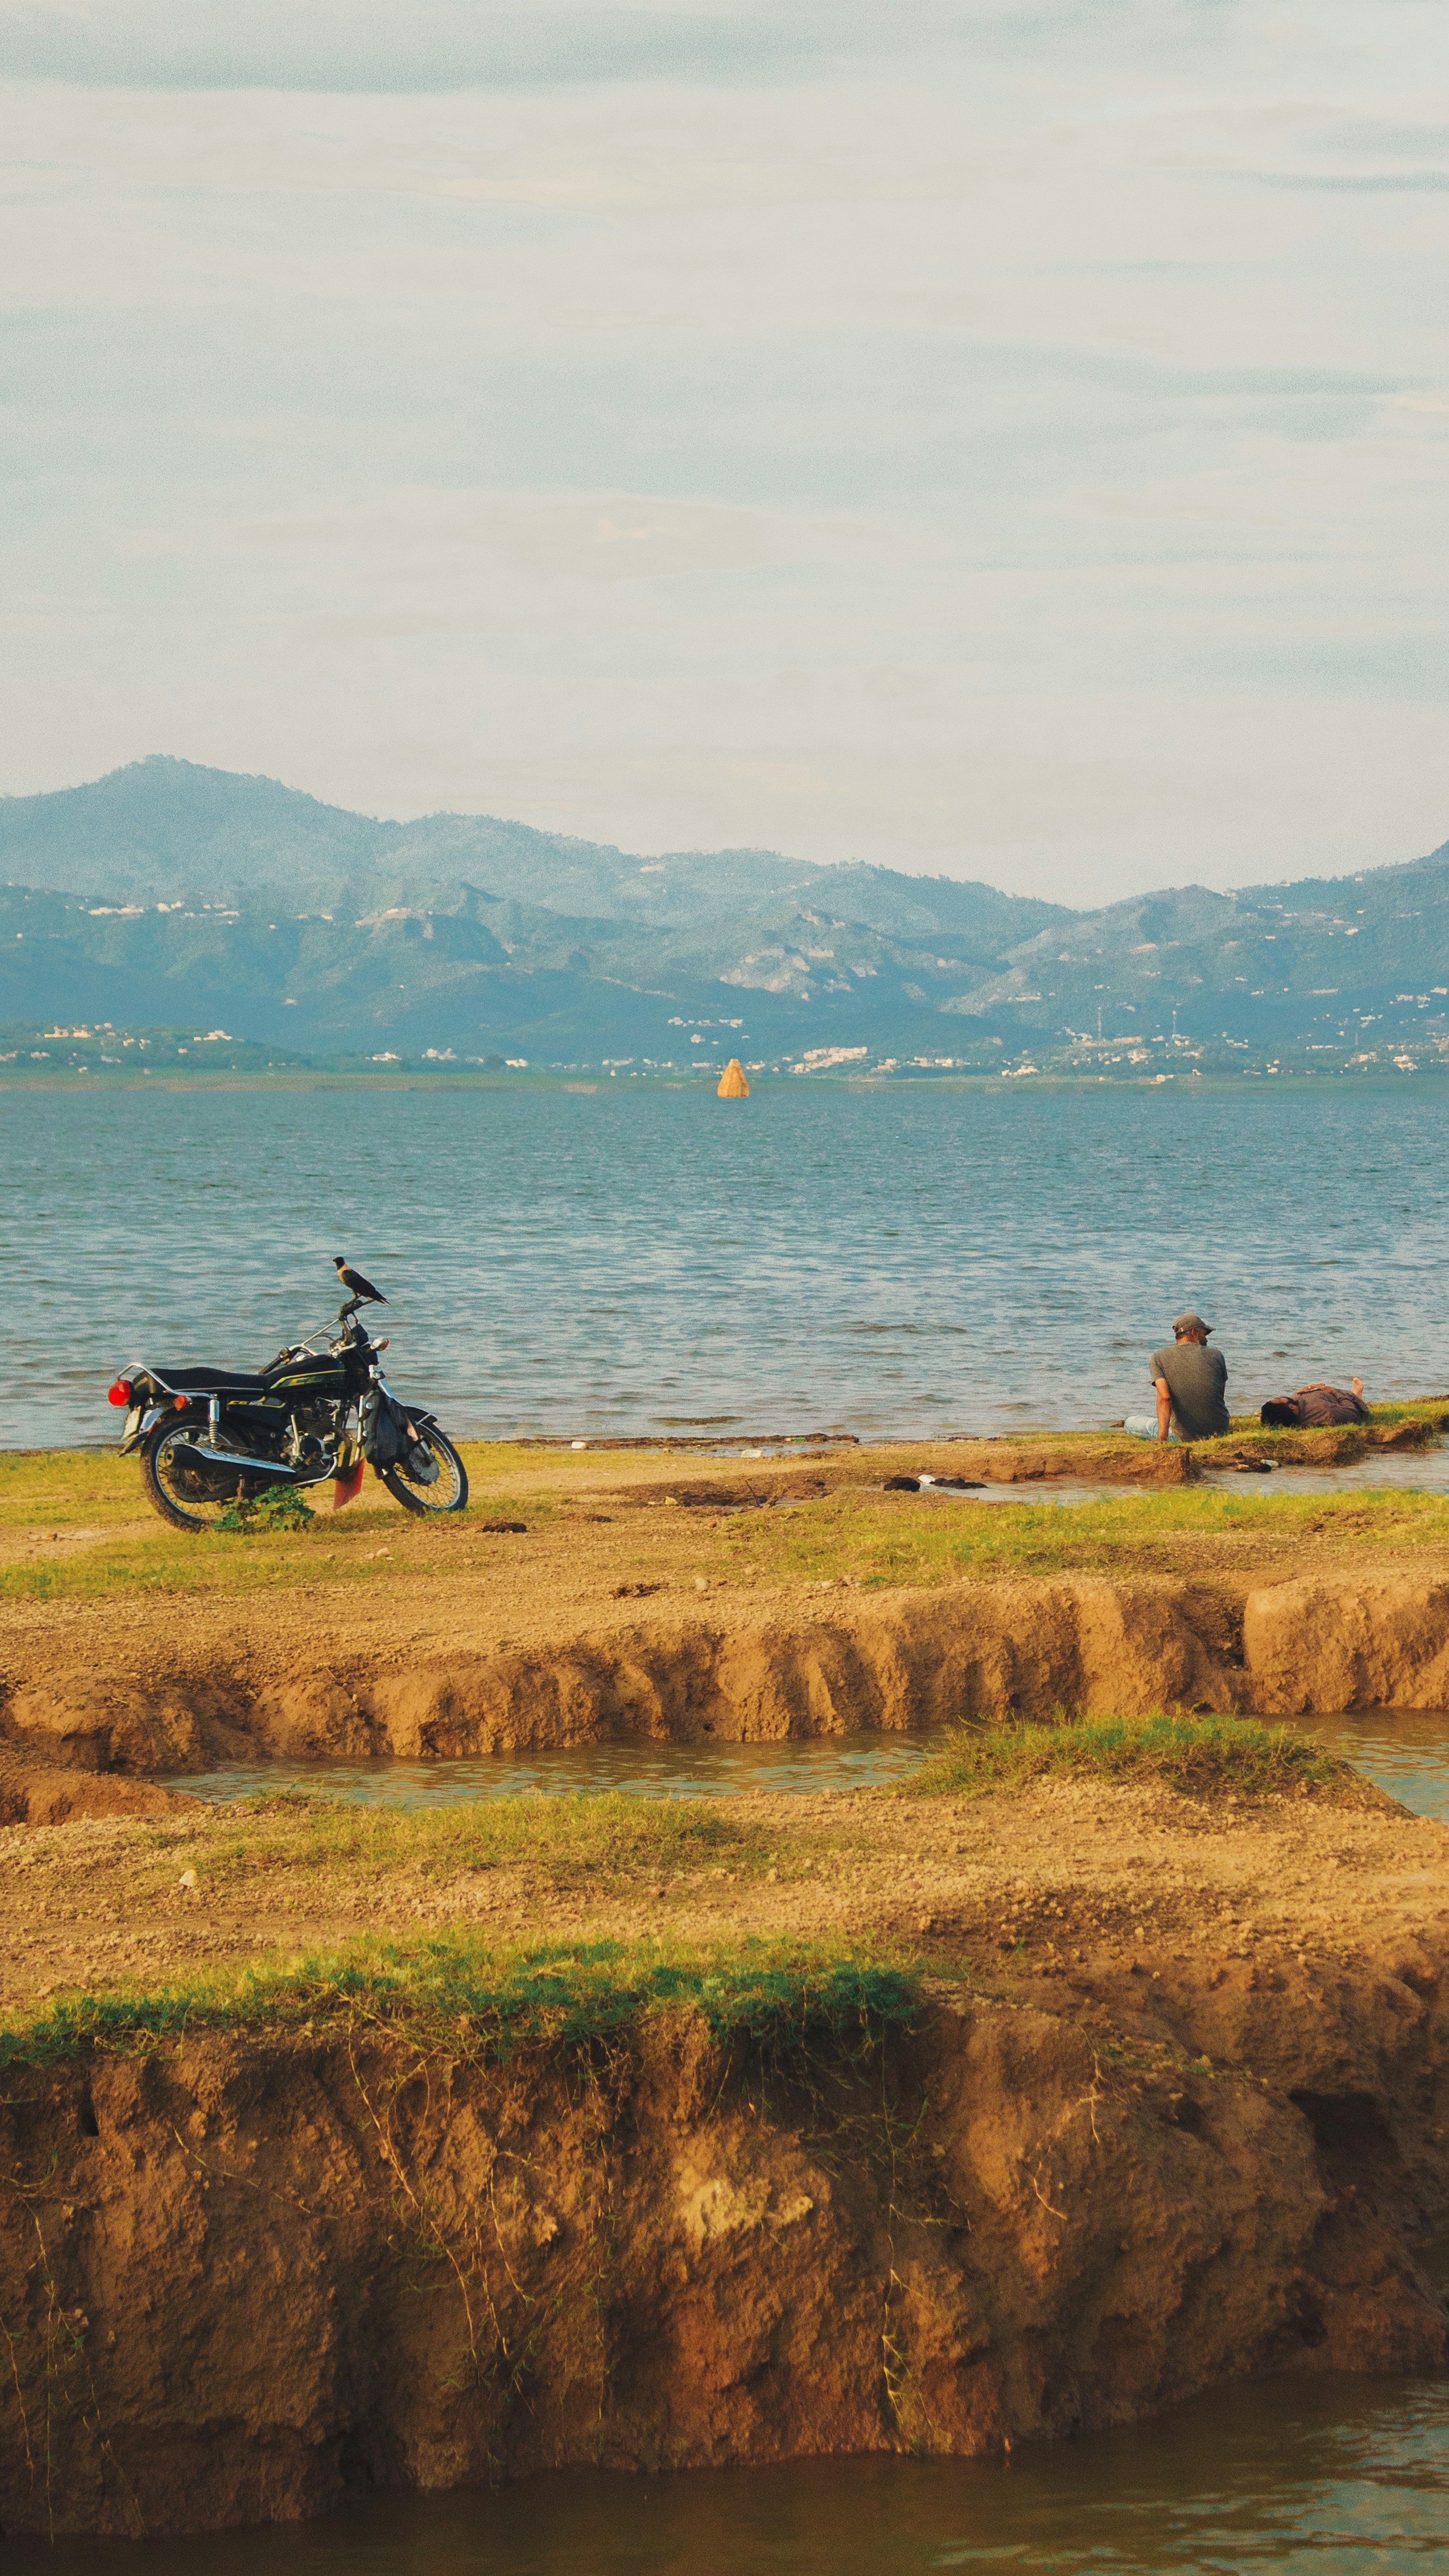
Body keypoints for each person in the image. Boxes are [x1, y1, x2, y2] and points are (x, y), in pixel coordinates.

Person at [1123, 1311, 1229, 1444]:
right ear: (1194, 1332)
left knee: (1130, 1422)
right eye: (1205, 1333)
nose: (1206, 1338)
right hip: (1221, 1430)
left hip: (1185, 1436)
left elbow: (1165, 1398)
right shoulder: (1217, 1355)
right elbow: (1218, 1394)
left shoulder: (1159, 1357)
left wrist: (1162, 1438)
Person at [1259, 1378, 1369, 1429]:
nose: (1279, 1397)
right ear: (1292, 1407)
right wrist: (1332, 1390)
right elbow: (1353, 1413)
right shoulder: (1327, 1413)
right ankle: (1357, 1395)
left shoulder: (1289, 1411)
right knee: (1353, 1400)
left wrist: (1305, 1390)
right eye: (1280, 1399)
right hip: (1340, 1401)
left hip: (1320, 1398)